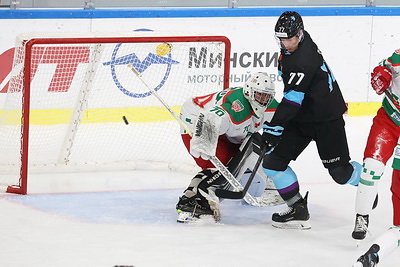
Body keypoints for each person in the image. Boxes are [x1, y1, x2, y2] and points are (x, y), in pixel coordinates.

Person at [261, 11, 361, 230]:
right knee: (272, 163)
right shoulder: (299, 43)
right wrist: (276, 127)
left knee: (341, 174)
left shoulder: (302, 59)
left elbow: (292, 100)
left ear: (300, 33)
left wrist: (273, 128)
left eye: (290, 39)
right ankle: (297, 208)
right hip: (303, 118)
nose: (286, 44)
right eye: (283, 39)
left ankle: (367, 184)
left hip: (326, 120)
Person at [176, 72, 280, 223]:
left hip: (224, 129)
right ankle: (192, 199)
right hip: (197, 120)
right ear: (249, 92)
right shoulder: (237, 108)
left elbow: (285, 122)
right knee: (220, 163)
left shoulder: (270, 106)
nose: (263, 100)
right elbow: (210, 118)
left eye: (266, 96)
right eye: (259, 95)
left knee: (244, 154)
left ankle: (261, 179)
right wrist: (203, 139)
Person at [352, 49, 400, 266]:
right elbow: (378, 79)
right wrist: (380, 76)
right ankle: (362, 215)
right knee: (371, 169)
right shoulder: (398, 57)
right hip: (389, 120)